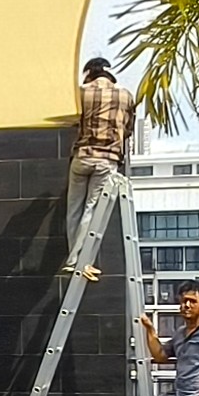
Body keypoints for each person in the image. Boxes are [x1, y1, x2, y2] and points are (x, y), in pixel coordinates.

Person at [65, 58, 135, 272]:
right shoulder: (125, 96)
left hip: (82, 156)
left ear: (89, 73)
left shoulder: (81, 93)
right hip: (107, 159)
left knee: (74, 209)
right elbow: (129, 130)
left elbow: (73, 120)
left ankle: (73, 258)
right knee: (92, 209)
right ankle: (80, 261)